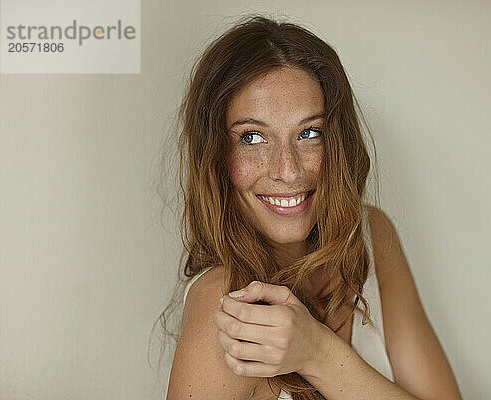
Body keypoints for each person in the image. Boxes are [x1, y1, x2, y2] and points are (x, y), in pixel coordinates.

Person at [162, 14, 462, 400]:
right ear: (217, 156)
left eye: (309, 133)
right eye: (252, 137)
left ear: (336, 142)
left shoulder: (369, 235)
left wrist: (316, 352)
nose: (287, 170)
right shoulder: (226, 306)